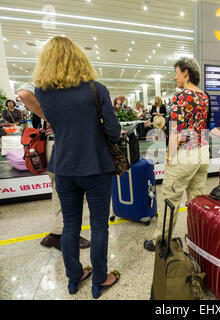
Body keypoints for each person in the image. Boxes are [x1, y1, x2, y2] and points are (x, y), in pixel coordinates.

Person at [33, 36, 121, 298]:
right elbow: (114, 131)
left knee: (70, 226)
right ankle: (100, 280)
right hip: (95, 166)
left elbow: (56, 125)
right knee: (98, 226)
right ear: (78, 58)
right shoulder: (96, 89)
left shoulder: (42, 93)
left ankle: (74, 279)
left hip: (64, 168)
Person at [143, 57, 220, 252]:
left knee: (171, 199)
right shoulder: (205, 96)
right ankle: (201, 238)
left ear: (185, 72)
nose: (175, 78)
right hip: (202, 154)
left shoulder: (180, 97)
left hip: (185, 154)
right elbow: (206, 126)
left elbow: (175, 132)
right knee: (198, 200)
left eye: (176, 73)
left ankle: (160, 241)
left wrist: (169, 158)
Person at [18, 83, 91, 251]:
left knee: (61, 190)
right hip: (61, 145)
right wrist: (51, 118)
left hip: (61, 144)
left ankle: (59, 232)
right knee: (65, 190)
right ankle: (59, 234)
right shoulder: (47, 80)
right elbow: (23, 94)